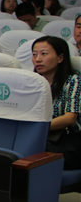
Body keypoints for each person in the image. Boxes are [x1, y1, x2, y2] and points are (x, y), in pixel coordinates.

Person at [31, 36, 80, 166]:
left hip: (66, 140)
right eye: (34, 54)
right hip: (39, 136)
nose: (38, 59)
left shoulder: (73, 81)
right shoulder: (31, 82)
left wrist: (36, 129)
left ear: (60, 58)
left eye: (44, 54)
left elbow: (70, 118)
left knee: (31, 152)